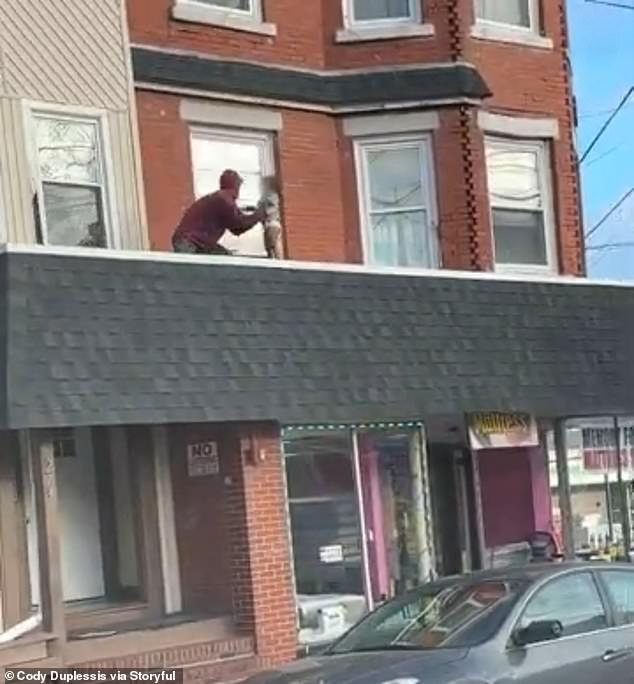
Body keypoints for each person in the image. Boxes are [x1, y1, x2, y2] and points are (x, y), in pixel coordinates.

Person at [172, 169, 265, 255]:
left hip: (195, 242)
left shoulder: (221, 197)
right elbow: (238, 224)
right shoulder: (224, 199)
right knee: (200, 269)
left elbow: (236, 229)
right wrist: (258, 215)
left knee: (224, 257)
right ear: (235, 185)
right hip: (189, 243)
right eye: (239, 185)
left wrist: (254, 216)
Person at [257, 175, 284, 259]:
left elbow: (273, 207)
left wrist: (264, 212)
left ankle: (278, 261)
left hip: (272, 222)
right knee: (270, 245)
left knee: (273, 243)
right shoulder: (267, 195)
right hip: (268, 223)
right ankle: (274, 260)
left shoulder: (271, 194)